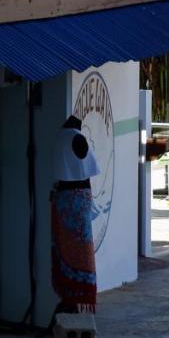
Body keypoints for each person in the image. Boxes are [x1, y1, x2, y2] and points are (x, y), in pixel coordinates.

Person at [50, 116, 101, 317]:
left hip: (63, 198)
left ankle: (70, 297)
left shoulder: (61, 137)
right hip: (77, 200)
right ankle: (81, 299)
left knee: (64, 248)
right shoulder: (76, 137)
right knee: (83, 250)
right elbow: (86, 163)